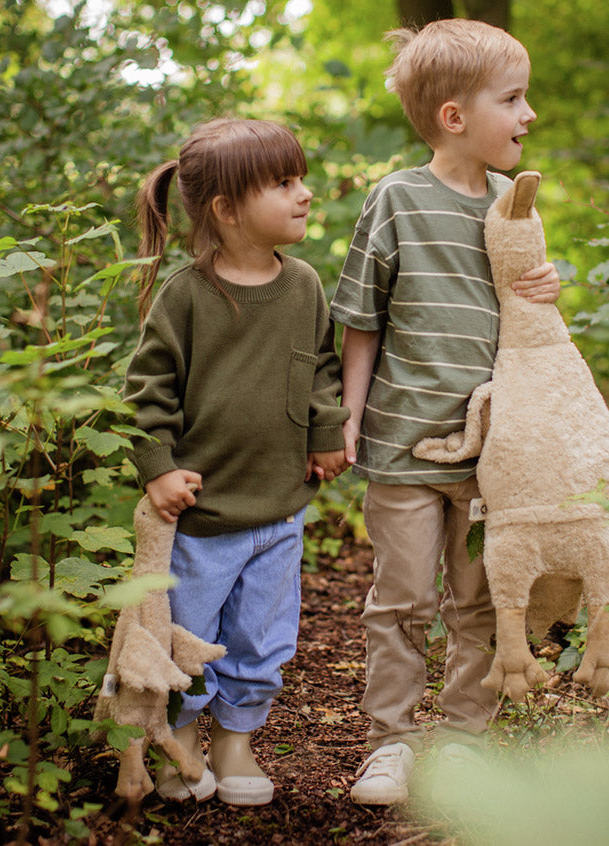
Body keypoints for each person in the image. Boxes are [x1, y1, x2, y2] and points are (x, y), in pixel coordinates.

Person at [330, 19, 561, 805]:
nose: (529, 115)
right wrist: (349, 418)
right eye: (514, 98)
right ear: (456, 116)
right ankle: (389, 743)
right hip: (400, 443)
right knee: (400, 600)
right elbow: (361, 319)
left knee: (481, 599)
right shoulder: (396, 199)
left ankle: (464, 738)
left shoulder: (514, 202)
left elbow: (530, 322)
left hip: (493, 453)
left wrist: (545, 293)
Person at [123, 118, 349, 806]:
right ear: (225, 210)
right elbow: (147, 389)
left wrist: (325, 431)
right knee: (191, 637)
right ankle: (182, 741)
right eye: (284, 183)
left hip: (279, 508)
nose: (305, 194)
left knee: (262, 636)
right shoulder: (187, 296)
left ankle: (237, 742)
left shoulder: (305, 284)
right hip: (200, 519)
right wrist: (158, 466)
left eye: (300, 178)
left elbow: (321, 370)